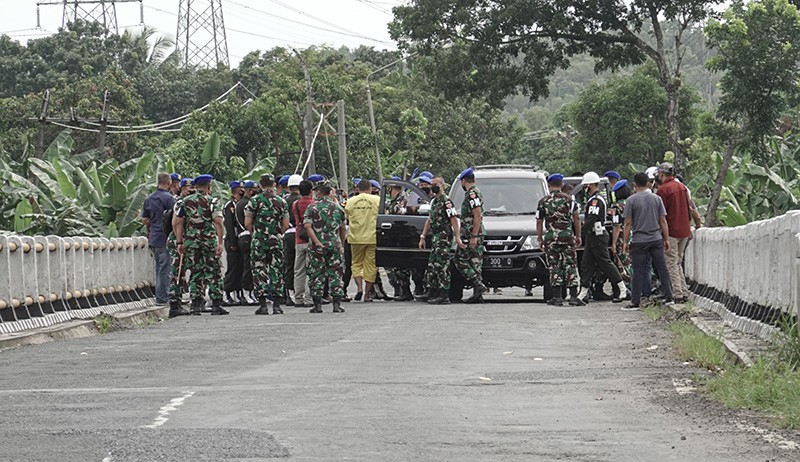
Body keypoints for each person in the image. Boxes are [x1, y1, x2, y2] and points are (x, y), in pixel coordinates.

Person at [173, 174, 228, 316]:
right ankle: (216, 305)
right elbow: (218, 222)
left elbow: (178, 222)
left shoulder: (184, 202)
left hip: (191, 241)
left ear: (196, 187)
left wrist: (180, 241)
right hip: (208, 241)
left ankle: (196, 305)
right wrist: (220, 242)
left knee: (195, 271)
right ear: (209, 186)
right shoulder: (212, 201)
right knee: (214, 271)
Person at [623, 172, 674, 309]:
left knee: (638, 270)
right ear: (647, 183)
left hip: (639, 240)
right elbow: (662, 220)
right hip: (656, 238)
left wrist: (625, 242)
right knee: (662, 267)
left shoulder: (631, 200)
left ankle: (635, 301)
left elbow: (628, 223)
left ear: (634, 184)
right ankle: (669, 296)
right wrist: (666, 238)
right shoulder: (656, 199)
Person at [577, 171, 628, 304]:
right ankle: (582, 294)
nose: (584, 188)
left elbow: (592, 219)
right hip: (593, 235)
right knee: (586, 264)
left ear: (591, 185)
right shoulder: (593, 199)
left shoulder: (595, 201)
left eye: (586, 185)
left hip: (597, 235)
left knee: (605, 263)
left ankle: (622, 289)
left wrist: (579, 234)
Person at [537, 173, 584, 306]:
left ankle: (557, 297)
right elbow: (576, 218)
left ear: (549, 185)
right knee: (570, 265)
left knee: (554, 266)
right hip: (567, 236)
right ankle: (573, 297)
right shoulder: (570, 200)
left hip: (551, 238)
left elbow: (539, 221)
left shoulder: (543, 201)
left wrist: (540, 238)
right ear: (562, 185)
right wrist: (578, 235)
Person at [246, 174, 289, 315]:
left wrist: (257, 233)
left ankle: (263, 305)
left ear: (260, 185)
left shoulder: (254, 201)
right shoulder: (281, 201)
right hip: (276, 241)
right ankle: (277, 305)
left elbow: (247, 223)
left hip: (259, 241)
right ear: (274, 185)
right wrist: (276, 233)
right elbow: (285, 224)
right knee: (276, 270)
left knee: (259, 271)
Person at [418, 176, 463, 305]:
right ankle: (432, 291)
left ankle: (444, 294)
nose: (433, 186)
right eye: (432, 184)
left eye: (435, 184)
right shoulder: (434, 201)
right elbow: (429, 220)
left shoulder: (446, 201)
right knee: (433, 265)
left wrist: (457, 236)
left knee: (442, 265)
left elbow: (453, 219)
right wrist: (423, 236)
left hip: (444, 237)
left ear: (442, 186)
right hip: (436, 237)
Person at [304, 180, 348, 313]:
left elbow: (307, 226)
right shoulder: (338, 208)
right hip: (334, 244)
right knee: (336, 274)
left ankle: (317, 305)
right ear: (330, 192)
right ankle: (336, 304)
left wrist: (316, 241)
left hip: (317, 246)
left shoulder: (312, 207)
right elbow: (342, 228)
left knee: (317, 274)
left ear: (318, 192)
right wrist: (341, 243)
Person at [655, 162, 692, 303]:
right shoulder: (682, 187)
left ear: (662, 174)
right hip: (684, 229)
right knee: (677, 262)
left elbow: (661, 215)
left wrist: (663, 234)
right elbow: (689, 208)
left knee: (671, 263)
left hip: (671, 231)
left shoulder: (663, 190)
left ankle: (677, 294)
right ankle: (684, 291)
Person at [141, 172, 176, 307]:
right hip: (165, 237)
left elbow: (144, 220)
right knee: (165, 269)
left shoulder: (149, 199)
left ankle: (160, 295)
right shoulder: (169, 199)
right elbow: (176, 218)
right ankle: (162, 297)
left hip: (154, 237)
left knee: (159, 268)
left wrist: (155, 221)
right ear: (168, 183)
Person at [454, 168, 488, 304]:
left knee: (459, 259)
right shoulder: (474, 193)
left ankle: (477, 283)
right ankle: (478, 294)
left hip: (471, 233)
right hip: (474, 232)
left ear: (463, 181)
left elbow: (477, 214)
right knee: (475, 262)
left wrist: (473, 235)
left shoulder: (472, 194)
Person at [345, 177, 381, 302]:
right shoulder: (377, 200)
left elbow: (347, 218)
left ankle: (359, 288)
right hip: (372, 237)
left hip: (355, 237)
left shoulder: (350, 201)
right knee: (371, 265)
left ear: (357, 189)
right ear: (370, 189)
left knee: (356, 264)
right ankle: (367, 294)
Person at [165, 178, 193, 317]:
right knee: (178, 271)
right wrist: (179, 241)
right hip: (178, 240)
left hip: (187, 240)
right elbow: (176, 224)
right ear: (182, 189)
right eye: (188, 188)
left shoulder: (191, 202)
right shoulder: (180, 203)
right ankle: (174, 304)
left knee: (185, 272)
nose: (190, 190)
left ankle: (183, 300)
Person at [386, 177, 414, 301]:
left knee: (402, 265)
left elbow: (400, 215)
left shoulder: (403, 199)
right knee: (396, 265)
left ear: (391, 187)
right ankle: (403, 290)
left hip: (402, 236)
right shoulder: (394, 200)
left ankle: (405, 291)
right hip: (395, 235)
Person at [292, 180, 316, 307]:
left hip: (299, 239)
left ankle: (298, 298)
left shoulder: (295, 204)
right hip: (312, 240)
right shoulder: (314, 204)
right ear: (311, 190)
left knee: (299, 270)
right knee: (311, 270)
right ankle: (308, 297)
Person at [235, 181, 258, 305]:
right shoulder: (246, 203)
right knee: (248, 265)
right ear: (249, 190)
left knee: (249, 265)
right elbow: (247, 223)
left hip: (244, 236)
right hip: (246, 235)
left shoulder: (241, 202)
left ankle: (250, 292)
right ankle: (247, 292)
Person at [222, 181, 244, 306]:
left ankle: (236, 292)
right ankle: (226, 292)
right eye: (241, 188)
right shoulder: (229, 205)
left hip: (239, 240)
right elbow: (230, 225)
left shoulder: (238, 204)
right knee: (233, 268)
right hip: (232, 240)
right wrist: (233, 241)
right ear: (236, 190)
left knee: (239, 268)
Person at [609, 179, 633, 285]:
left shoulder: (617, 207)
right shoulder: (631, 202)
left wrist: (613, 243)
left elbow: (616, 226)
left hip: (622, 238)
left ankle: (627, 287)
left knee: (622, 263)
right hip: (633, 236)